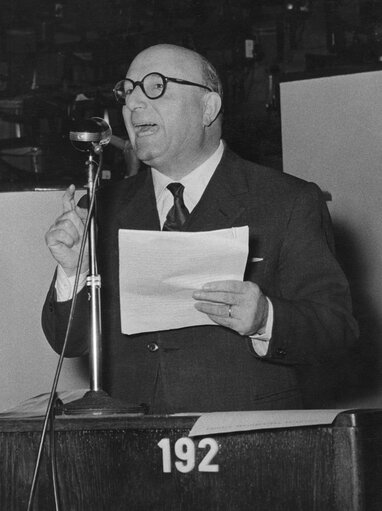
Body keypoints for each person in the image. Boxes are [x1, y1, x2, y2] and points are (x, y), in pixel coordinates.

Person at [42, 44, 358, 414]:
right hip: (128, 446)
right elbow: (70, 342)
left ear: (208, 108)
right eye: (127, 91)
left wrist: (265, 318)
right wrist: (71, 271)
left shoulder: (287, 201)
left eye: (155, 86)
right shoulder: (100, 208)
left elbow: (338, 332)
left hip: (246, 443)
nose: (133, 105)